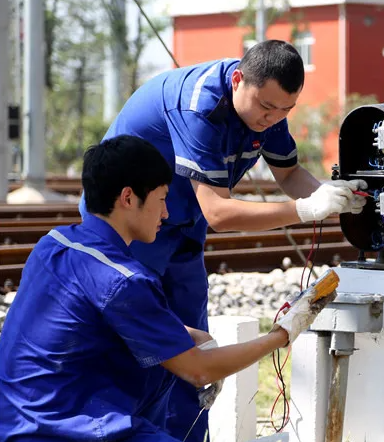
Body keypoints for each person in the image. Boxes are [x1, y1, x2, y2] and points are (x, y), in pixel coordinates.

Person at [79, 40, 366, 439]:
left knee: (195, 350)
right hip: (130, 224)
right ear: (237, 81)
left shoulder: (268, 105)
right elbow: (219, 213)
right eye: (267, 108)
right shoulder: (199, 107)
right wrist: (303, 210)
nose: (273, 118)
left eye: (286, 110)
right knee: (141, 348)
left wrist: (331, 198)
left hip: (179, 225)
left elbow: (288, 176)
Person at [0, 135, 335, 441]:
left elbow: (96, 318)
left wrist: (187, 334)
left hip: (18, 416)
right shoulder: (124, 280)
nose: (166, 212)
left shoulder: (55, 243)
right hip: (66, 427)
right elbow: (198, 370)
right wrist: (282, 335)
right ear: (128, 198)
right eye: (161, 199)